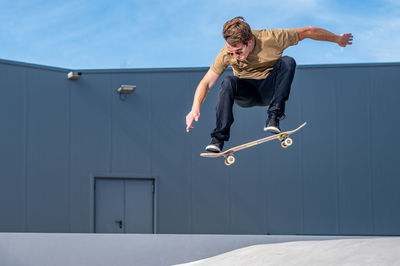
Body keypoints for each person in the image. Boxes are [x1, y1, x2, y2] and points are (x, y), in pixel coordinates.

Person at [186, 16, 353, 152]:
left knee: (288, 62)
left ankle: (274, 118)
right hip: (247, 93)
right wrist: (195, 107)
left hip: (270, 89)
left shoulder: (272, 38)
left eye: (239, 51)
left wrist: (338, 39)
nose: (235, 56)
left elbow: (309, 31)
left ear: (250, 41)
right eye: (231, 52)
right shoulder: (226, 54)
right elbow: (207, 82)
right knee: (228, 81)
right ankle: (218, 138)